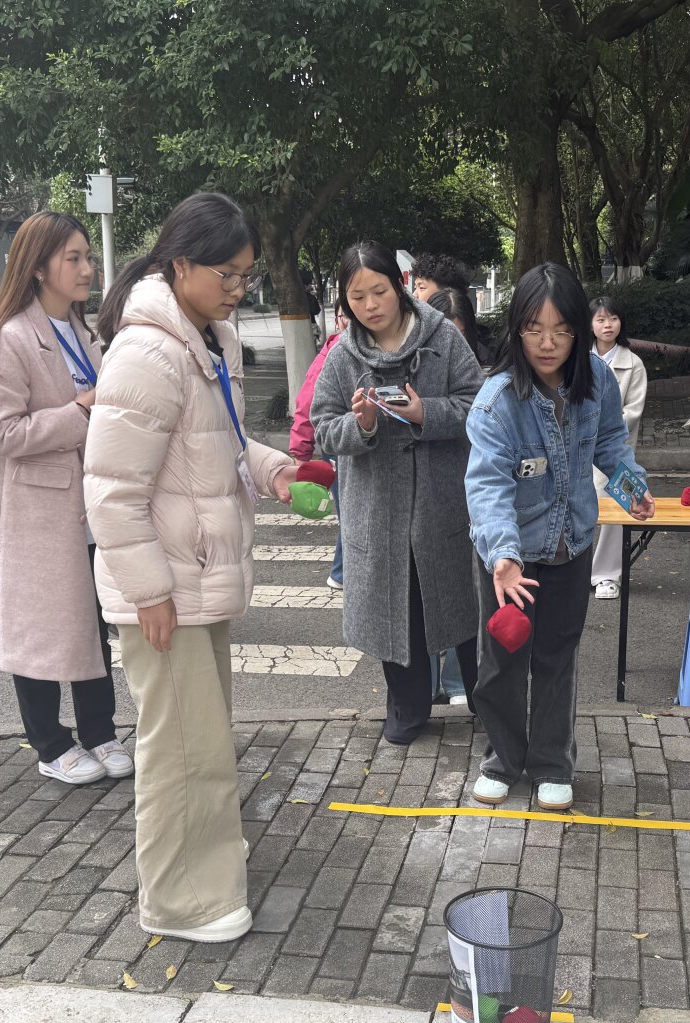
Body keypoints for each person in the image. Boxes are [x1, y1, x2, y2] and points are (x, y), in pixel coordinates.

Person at [84, 192, 298, 943]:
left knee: (202, 738)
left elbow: (221, 444)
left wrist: (274, 469)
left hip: (194, 579)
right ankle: (184, 902)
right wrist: (149, 592)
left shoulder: (204, 339)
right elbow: (112, 492)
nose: (238, 289)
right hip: (165, 589)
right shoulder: (148, 353)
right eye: (226, 275)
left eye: (246, 275)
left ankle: (206, 861)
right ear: (180, 266)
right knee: (181, 750)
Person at [465, 263, 654, 810]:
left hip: (571, 547)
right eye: (533, 329)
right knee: (503, 660)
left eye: (561, 331)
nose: (547, 344)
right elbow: (487, 486)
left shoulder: (596, 382)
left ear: (579, 330)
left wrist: (631, 488)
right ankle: (502, 759)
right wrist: (503, 557)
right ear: (516, 330)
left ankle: (552, 762)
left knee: (557, 657)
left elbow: (612, 444)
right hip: (510, 559)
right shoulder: (497, 401)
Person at [0, 211, 129, 786]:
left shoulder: (84, 335)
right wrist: (80, 410)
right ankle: (50, 743)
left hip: (87, 505)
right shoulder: (7, 340)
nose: (88, 269)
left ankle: (100, 731)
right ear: (38, 268)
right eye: (73, 259)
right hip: (34, 513)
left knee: (91, 624)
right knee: (37, 628)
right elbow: (2, 434)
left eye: (88, 258)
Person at [311, 241, 485, 744]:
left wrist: (425, 413)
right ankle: (407, 710)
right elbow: (323, 428)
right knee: (395, 611)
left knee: (459, 606)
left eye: (379, 291)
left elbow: (478, 404)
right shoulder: (343, 354)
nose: (370, 305)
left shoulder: (441, 337)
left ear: (400, 285)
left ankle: (488, 702)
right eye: (357, 296)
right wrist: (361, 424)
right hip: (377, 508)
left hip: (440, 501)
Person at [424, 287, 485, 707]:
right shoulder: (409, 366)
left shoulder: (485, 375)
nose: (450, 345)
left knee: (467, 589)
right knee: (424, 590)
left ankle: (460, 680)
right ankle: (427, 685)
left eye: (458, 335)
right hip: (427, 493)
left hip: (473, 492)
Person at [587, 296, 649, 600]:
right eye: (600, 319)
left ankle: (607, 575)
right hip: (580, 450)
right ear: (589, 325)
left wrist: (594, 426)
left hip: (614, 447)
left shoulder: (633, 364)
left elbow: (632, 412)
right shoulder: (577, 359)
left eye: (612, 318)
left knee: (616, 510)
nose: (607, 325)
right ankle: (577, 570)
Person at [291, 309, 350, 588]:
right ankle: (340, 573)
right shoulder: (332, 353)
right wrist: (300, 453)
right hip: (338, 446)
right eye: (343, 315)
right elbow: (307, 402)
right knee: (351, 512)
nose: (348, 321)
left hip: (363, 444)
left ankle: (342, 573)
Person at [428, 285, 494, 370]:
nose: (450, 343)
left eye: (459, 335)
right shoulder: (416, 360)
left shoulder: (484, 360)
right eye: (442, 335)